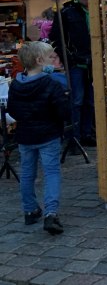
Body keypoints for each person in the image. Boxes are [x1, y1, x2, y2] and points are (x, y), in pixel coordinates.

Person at [7, 42, 71, 235]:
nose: (53, 60)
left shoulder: (16, 85)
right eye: (50, 57)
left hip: (26, 135)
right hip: (48, 134)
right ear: (39, 60)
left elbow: (12, 110)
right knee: (51, 173)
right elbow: (63, 111)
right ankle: (51, 213)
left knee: (28, 173)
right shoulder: (51, 84)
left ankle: (30, 209)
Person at [51, 0, 96, 147]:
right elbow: (56, 38)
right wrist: (69, 59)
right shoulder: (67, 12)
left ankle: (86, 134)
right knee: (76, 100)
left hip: (94, 63)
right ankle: (74, 137)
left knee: (90, 101)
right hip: (76, 64)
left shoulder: (99, 10)